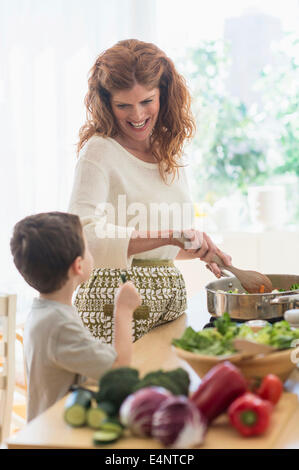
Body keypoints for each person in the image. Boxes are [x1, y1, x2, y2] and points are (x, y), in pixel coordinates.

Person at [68, 39, 232, 345]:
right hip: (113, 308)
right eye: (123, 105)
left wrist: (195, 247)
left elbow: (159, 248)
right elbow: (82, 238)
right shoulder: (100, 152)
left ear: (164, 95)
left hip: (169, 307)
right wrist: (171, 234)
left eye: (147, 101)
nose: (137, 115)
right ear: (106, 103)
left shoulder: (170, 152)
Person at [10, 211, 141, 422]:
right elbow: (119, 372)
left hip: (49, 428)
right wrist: (123, 310)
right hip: (56, 438)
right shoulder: (59, 324)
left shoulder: (46, 311)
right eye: (88, 247)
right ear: (78, 266)